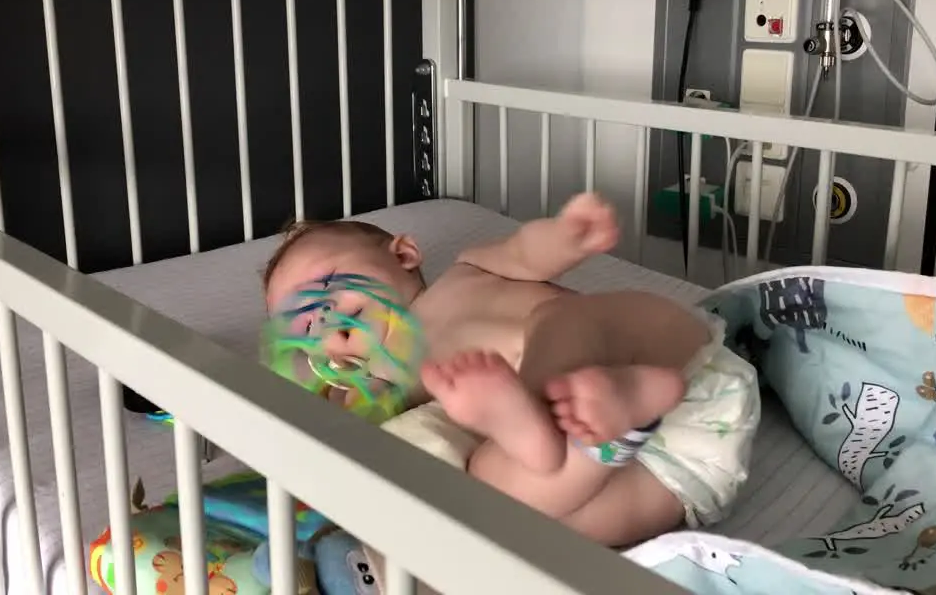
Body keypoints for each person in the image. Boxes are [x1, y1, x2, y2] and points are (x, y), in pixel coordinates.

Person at [263, 193, 759, 546]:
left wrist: (565, 237)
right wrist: (313, 388)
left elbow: (526, 251)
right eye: (304, 321)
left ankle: (556, 416)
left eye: (327, 282)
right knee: (512, 521)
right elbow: (335, 433)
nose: (325, 314)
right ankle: (598, 421)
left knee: (560, 319)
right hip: (660, 466)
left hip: (662, 360)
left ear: (404, 254)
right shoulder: (388, 381)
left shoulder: (468, 272)